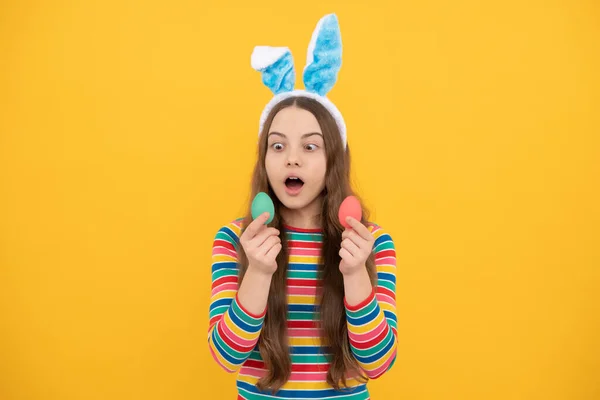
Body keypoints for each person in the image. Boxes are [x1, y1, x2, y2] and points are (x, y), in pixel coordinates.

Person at [207, 13, 397, 399]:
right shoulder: (234, 239)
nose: (291, 159)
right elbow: (226, 356)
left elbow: (377, 362)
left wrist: (356, 272)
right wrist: (258, 272)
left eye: (309, 146)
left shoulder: (372, 242)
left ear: (333, 159)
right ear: (264, 159)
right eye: (278, 146)